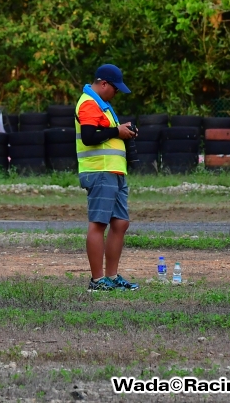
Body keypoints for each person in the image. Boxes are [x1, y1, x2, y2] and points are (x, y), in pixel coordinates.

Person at [75, 64, 139, 291]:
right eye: (116, 88)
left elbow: (107, 133)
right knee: (99, 224)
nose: (117, 93)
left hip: (115, 172)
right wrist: (116, 131)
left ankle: (111, 277)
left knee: (120, 223)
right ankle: (97, 280)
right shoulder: (89, 103)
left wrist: (124, 131)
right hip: (99, 172)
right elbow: (89, 137)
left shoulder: (103, 106)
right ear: (103, 84)